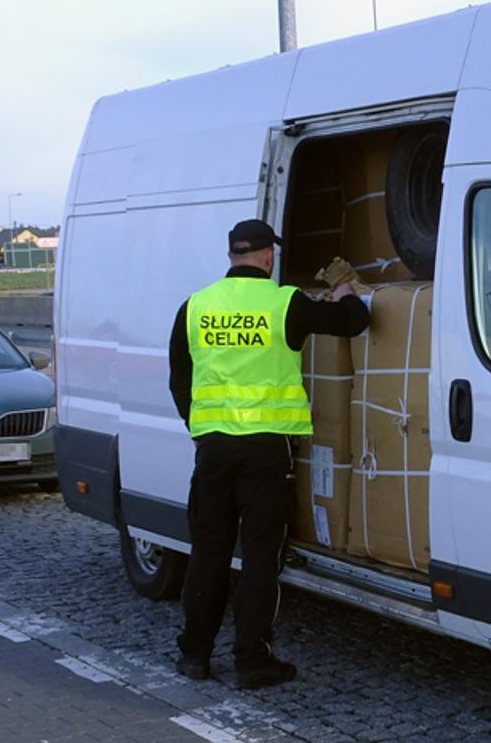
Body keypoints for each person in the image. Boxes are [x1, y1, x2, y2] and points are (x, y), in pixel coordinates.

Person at [168, 219, 368, 688]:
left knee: (208, 552)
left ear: (233, 255)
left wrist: (201, 431)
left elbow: (180, 379)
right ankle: (251, 660)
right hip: (266, 450)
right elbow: (353, 323)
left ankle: (195, 655)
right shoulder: (285, 303)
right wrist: (342, 290)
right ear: (267, 256)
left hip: (213, 449)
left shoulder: (196, 306)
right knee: (260, 557)